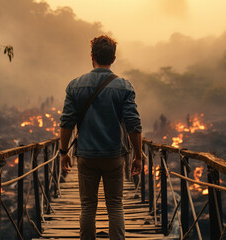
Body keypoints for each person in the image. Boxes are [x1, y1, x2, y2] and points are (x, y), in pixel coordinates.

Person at [59, 35, 143, 240]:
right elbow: (134, 124)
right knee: (115, 205)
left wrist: (63, 152)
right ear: (113, 58)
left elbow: (67, 122)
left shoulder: (75, 86)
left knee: (88, 206)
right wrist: (138, 155)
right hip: (114, 155)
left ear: (91, 56)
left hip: (86, 155)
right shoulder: (124, 86)